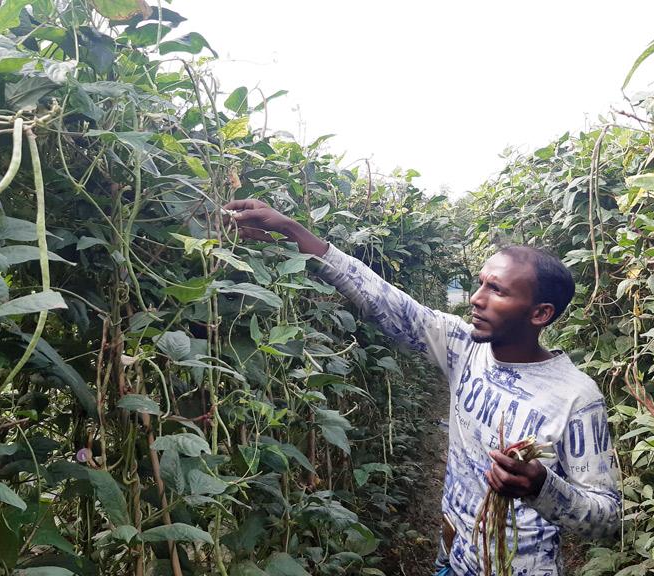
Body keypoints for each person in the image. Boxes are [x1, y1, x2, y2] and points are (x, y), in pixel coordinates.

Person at [224, 199, 620, 576]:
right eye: (479, 284)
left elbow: (606, 520)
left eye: (496, 290)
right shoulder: (464, 348)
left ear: (540, 313)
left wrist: (540, 486)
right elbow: (383, 299)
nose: (476, 299)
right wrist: (295, 233)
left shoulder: (576, 398)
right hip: (451, 553)